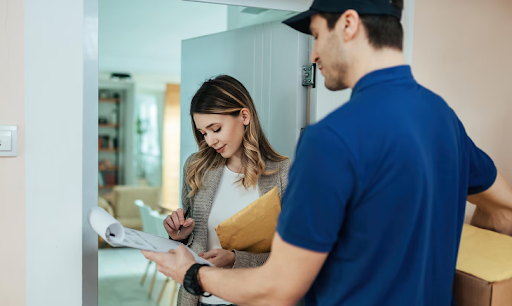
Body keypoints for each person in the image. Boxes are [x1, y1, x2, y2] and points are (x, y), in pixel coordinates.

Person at [145, 1, 512, 305]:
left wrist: (191, 274)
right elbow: (504, 210)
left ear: (349, 24)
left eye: (318, 35)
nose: (315, 52)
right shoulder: (444, 119)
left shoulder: (330, 140)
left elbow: (279, 288)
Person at [162, 75, 291, 306]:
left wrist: (235, 259)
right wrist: (178, 237)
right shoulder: (196, 167)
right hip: (199, 300)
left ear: (244, 116)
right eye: (203, 133)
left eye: (216, 129)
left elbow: (293, 259)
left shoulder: (284, 174)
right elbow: (193, 245)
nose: (210, 140)